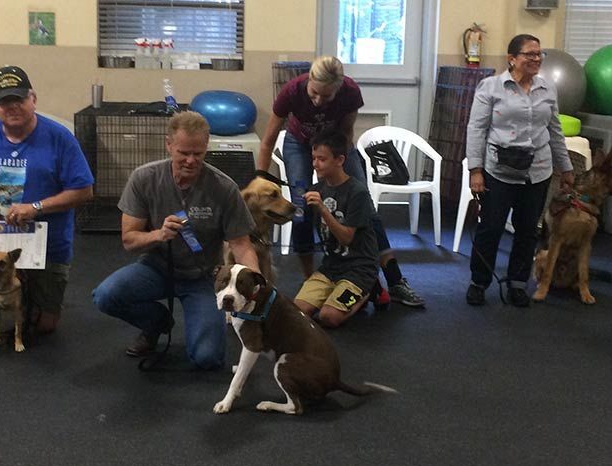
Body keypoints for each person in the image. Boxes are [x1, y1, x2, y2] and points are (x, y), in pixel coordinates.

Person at [92, 111, 260, 370]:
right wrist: (158, 234)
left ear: (207, 148)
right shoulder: (144, 178)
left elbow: (241, 245)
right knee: (105, 295)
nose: (191, 160)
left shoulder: (224, 187)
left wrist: (256, 284)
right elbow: (129, 240)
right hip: (156, 268)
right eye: (183, 152)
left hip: (204, 277)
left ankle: (199, 332)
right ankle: (157, 323)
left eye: (199, 153)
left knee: (208, 359)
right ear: (168, 144)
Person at [0, 66, 95, 346]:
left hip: (46, 236)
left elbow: (84, 191)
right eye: (4, 101)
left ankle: (31, 298)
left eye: (19, 99)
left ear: (33, 99)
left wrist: (36, 207)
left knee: (44, 326)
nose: (12, 107)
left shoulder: (60, 138)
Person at [257, 56, 425, 308]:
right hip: (298, 144)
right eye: (314, 94)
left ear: (338, 88)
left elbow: (346, 134)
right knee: (302, 207)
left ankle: (395, 279)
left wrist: (343, 172)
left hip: (336, 143)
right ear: (309, 81)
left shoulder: (350, 92)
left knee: (365, 203)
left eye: (326, 97)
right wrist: (260, 176)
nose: (318, 101)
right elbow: (268, 140)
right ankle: (310, 279)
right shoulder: (291, 91)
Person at [464, 34, 574, 308]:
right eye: (530, 54)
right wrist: (475, 170)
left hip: (538, 171)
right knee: (490, 228)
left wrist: (566, 168)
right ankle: (479, 282)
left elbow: (555, 130)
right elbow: (476, 129)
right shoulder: (490, 87)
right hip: (499, 170)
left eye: (539, 55)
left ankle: (517, 283)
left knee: (528, 231)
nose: (536, 59)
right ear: (512, 59)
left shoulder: (547, 89)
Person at [294, 131, 380, 328]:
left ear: (340, 159)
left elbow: (346, 239)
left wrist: (323, 210)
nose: (315, 164)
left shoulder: (357, 192)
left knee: (329, 317)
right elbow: (297, 218)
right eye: (313, 158)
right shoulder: (317, 188)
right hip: (331, 266)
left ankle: (367, 291)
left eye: (322, 159)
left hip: (360, 268)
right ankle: (337, 292)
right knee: (298, 311)